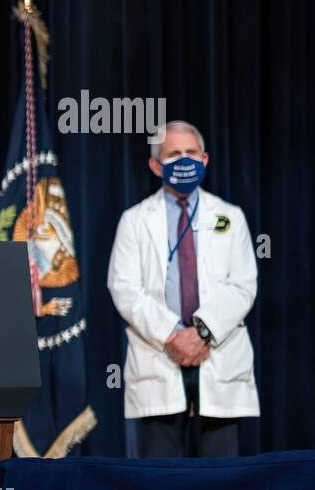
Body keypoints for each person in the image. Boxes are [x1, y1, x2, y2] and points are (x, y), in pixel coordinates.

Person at [106, 120, 258, 457]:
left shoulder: (231, 217)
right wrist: (174, 334)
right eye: (173, 154)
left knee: (222, 483)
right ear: (155, 165)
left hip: (217, 354)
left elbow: (243, 285)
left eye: (191, 153)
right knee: (161, 483)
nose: (184, 161)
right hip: (160, 354)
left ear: (205, 160)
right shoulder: (134, 220)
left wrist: (201, 332)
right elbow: (125, 288)